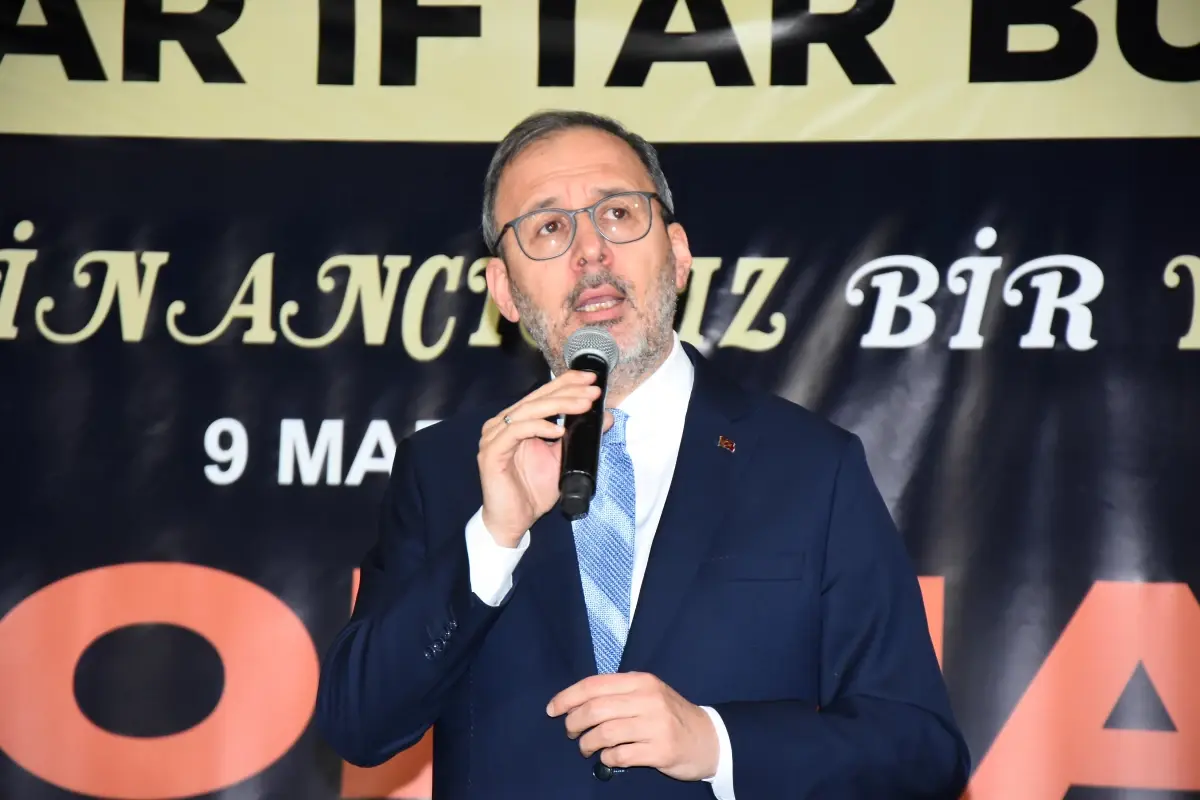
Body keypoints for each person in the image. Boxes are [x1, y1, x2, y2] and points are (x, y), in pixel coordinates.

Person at [314, 109, 971, 799]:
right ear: (505, 291)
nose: (591, 252)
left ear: (678, 254)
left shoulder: (810, 467)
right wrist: (492, 538)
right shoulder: (448, 468)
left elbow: (921, 751)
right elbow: (359, 724)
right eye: (548, 227)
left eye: (618, 214)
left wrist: (716, 743)